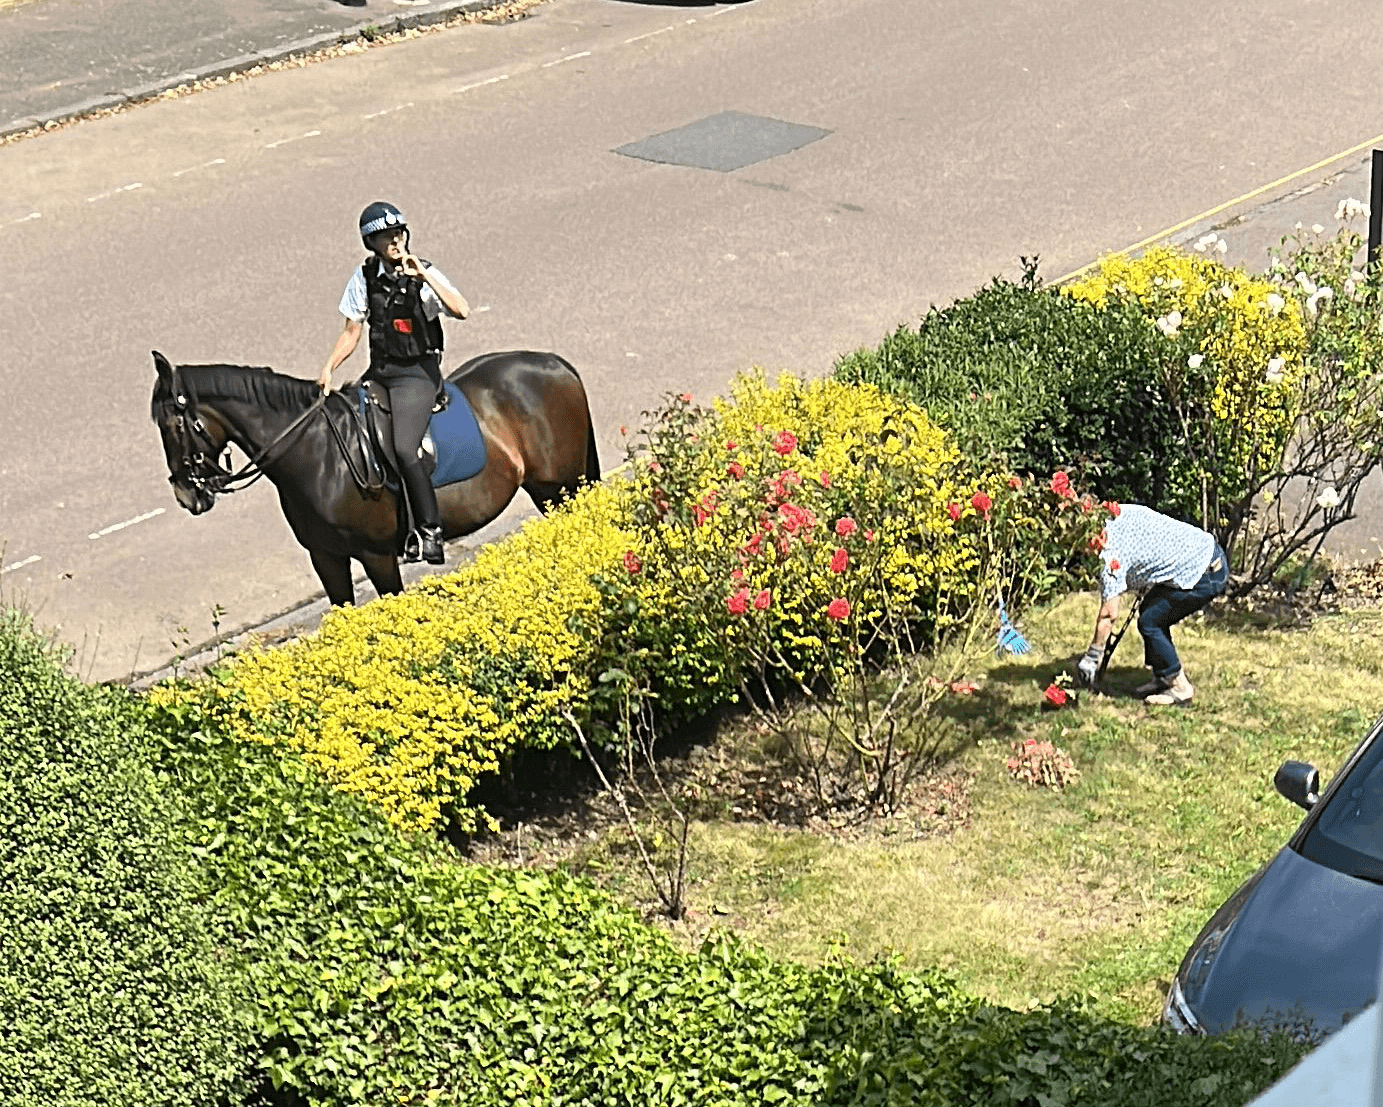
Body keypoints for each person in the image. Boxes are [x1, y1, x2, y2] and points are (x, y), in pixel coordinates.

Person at [318, 202, 469, 564]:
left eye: (399, 233)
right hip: (382, 372)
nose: (396, 240)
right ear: (372, 242)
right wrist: (329, 368)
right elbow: (352, 331)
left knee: (404, 447)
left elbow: (461, 309)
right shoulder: (365, 277)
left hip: (417, 375)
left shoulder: (423, 275)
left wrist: (424, 276)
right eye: (387, 236)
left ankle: (430, 531)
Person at [1074, 504, 1228, 706]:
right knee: (1150, 612)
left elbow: (1108, 616)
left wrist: (1093, 656)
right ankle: (1163, 676)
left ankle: (1181, 688)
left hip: (1203, 573)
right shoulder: (1113, 512)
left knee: (1151, 621)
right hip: (1207, 551)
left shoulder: (1110, 556)